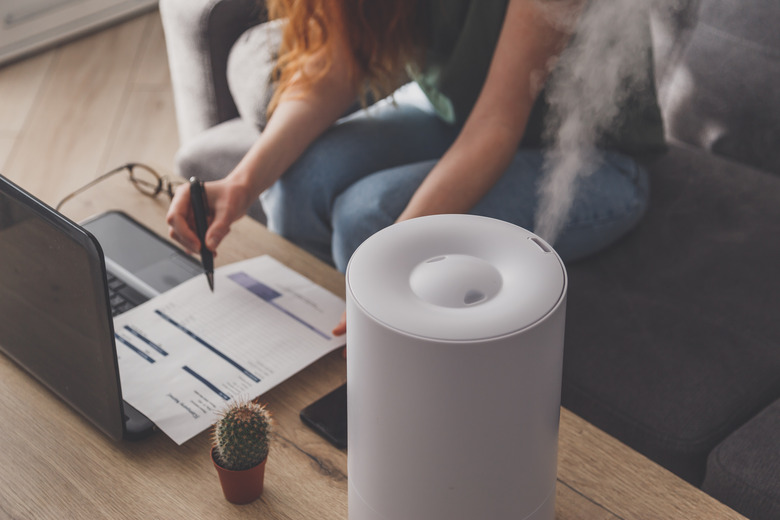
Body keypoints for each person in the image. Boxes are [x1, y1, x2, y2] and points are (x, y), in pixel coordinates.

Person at [166, 0, 665, 335]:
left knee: (370, 219)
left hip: (590, 161)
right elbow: (339, 66)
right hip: (457, 116)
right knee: (299, 183)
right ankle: (313, 352)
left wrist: (380, 277)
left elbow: (496, 123)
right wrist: (239, 183)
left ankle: (375, 369)